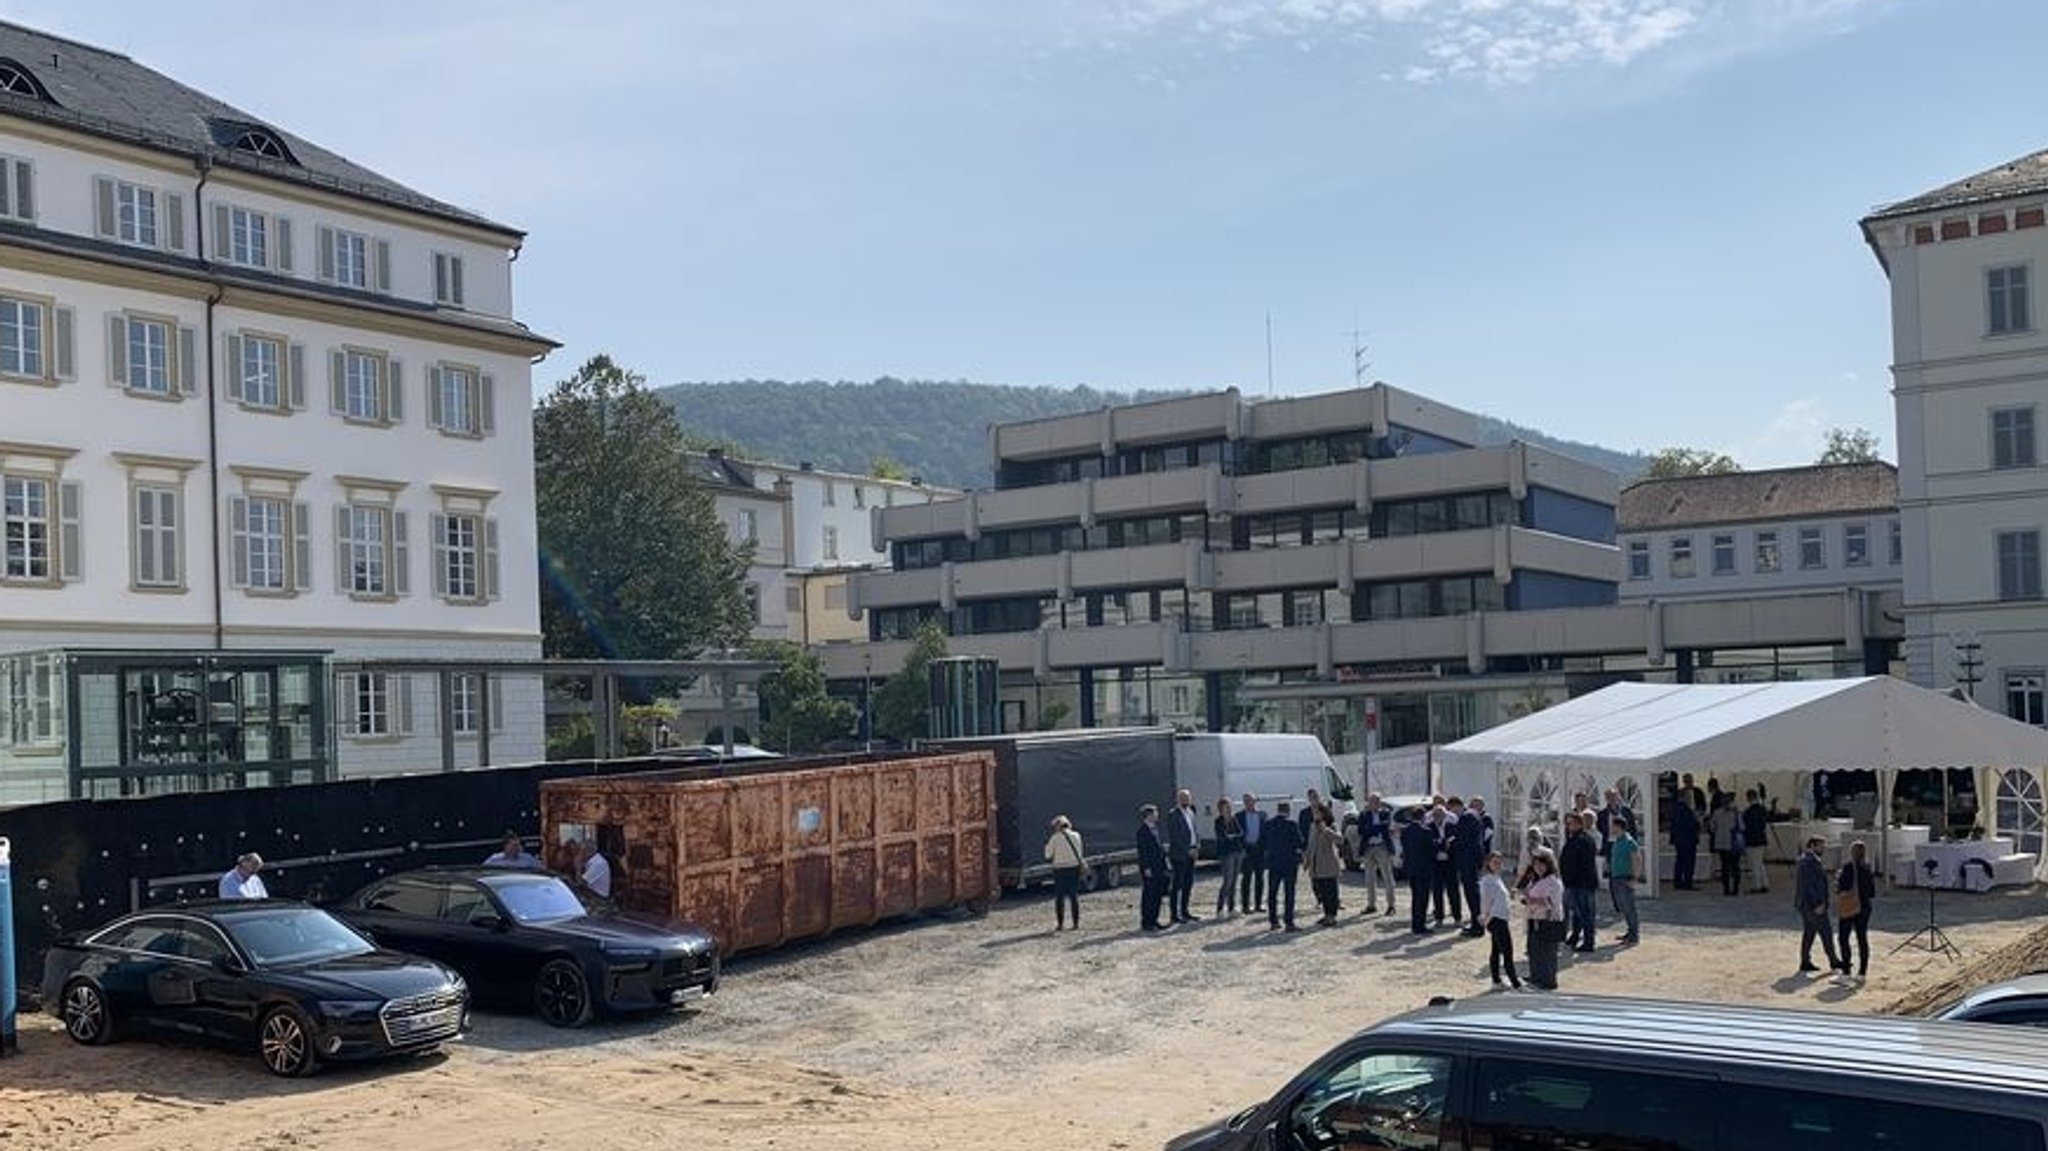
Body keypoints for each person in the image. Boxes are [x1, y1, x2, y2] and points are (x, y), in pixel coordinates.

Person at [1796, 836, 1844, 975]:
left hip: (1805, 904)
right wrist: (1818, 903)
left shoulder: (1807, 860)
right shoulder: (1809, 862)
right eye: (1821, 846)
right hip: (1813, 905)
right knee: (1825, 932)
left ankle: (1805, 961)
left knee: (1809, 933)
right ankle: (1833, 960)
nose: (1823, 849)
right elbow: (1810, 886)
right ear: (1813, 846)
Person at [1523, 848, 1566, 990]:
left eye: (1541, 865)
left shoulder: (1553, 881)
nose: (1538, 868)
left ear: (1548, 865)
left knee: (1547, 952)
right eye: (1536, 865)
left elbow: (1551, 902)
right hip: (1534, 919)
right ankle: (1536, 977)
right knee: (1534, 949)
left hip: (1548, 921)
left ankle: (1548, 981)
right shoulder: (1537, 879)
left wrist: (1531, 900)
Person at [1478, 851, 1521, 989]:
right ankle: (1516, 984)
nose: (1497, 865)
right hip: (1496, 919)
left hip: (1501, 917)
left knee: (1496, 950)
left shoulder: (1496, 878)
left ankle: (1496, 981)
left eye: (1499, 862)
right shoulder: (1488, 880)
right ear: (1488, 863)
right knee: (1507, 951)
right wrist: (1485, 918)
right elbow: (1486, 901)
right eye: (1494, 862)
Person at [1559, 813, 1600, 952]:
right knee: (1577, 913)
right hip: (1575, 882)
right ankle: (1575, 936)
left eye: (1570, 823)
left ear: (1579, 824)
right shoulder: (1574, 839)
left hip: (1582, 883)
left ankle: (1589, 942)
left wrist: (1570, 878)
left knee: (1585, 913)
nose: (1568, 826)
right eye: (1567, 823)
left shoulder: (1583, 840)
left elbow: (1579, 863)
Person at [1836, 840, 1877, 979]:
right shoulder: (1868, 868)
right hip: (1865, 907)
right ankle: (1862, 972)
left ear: (1852, 853)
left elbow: (1841, 888)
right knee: (1862, 939)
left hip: (1850, 906)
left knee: (1843, 938)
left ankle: (1846, 971)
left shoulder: (1847, 868)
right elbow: (1872, 892)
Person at [1264, 800, 1305, 932]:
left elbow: (1263, 842)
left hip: (1273, 863)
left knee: (1272, 893)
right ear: (1288, 810)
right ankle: (1289, 922)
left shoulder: (1269, 824)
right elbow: (1300, 842)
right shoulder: (1292, 824)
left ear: (1278, 810)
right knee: (1289, 893)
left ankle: (1273, 921)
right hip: (1289, 863)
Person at [1044, 815, 1086, 931]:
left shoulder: (1055, 838)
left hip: (1060, 870)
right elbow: (1080, 853)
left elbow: (1047, 855)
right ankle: (1076, 923)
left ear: (1058, 826)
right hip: (1074, 868)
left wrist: (1047, 846)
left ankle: (1060, 924)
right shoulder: (1077, 836)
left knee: (1060, 897)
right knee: (1074, 896)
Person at [1166, 788, 1202, 924]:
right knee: (1177, 885)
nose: (1186, 800)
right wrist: (1187, 850)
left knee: (1188, 884)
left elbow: (1194, 832)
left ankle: (1185, 911)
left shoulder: (1191, 812)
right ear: (1178, 799)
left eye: (1188, 798)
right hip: (1180, 855)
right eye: (1183, 798)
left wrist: (1197, 846)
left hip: (1192, 853)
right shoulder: (1173, 815)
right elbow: (1175, 837)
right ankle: (1174, 915)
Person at [1400, 804, 1438, 935]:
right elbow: (1431, 852)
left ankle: (1414, 923)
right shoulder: (1426, 831)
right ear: (1422, 817)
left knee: (1415, 896)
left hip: (1411, 867)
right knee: (1423, 898)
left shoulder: (1405, 831)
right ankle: (1420, 925)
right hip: (1424, 869)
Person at [1357, 793, 1397, 916]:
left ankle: (1391, 905)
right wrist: (1374, 829)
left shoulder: (1385, 814)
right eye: (1371, 801)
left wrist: (1372, 829)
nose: (1373, 804)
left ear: (1380, 803)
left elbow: (1385, 828)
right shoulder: (1364, 815)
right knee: (1369, 878)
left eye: (1376, 801)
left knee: (1387, 877)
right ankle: (1371, 905)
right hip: (1368, 848)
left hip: (1382, 847)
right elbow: (1361, 830)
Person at [1452, 797, 1487, 936]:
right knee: (1473, 893)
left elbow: (1463, 840)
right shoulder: (1474, 814)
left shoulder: (1466, 817)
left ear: (1456, 806)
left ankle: (1477, 926)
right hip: (1473, 859)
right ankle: (1475, 923)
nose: (1452, 813)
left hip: (1468, 860)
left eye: (1452, 809)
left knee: (1472, 894)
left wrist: (1452, 843)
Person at [1306, 806, 1344, 926]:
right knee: (1321, 891)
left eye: (1317, 813)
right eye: (1314, 813)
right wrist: (1307, 860)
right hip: (1316, 864)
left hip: (1329, 864)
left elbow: (1340, 839)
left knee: (1331, 891)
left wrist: (1326, 829)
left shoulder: (1332, 825)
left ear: (1324, 813)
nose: (1315, 815)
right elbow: (1310, 844)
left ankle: (1332, 916)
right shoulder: (1312, 826)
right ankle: (1326, 914)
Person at [1607, 817, 1642, 945]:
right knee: (1624, 907)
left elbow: (1637, 860)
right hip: (1617, 877)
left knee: (1630, 907)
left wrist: (1635, 878)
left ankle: (1634, 935)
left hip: (1625, 878)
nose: (1611, 828)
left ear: (1619, 826)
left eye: (1613, 826)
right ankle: (1630, 932)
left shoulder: (1629, 842)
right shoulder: (1618, 840)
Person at [1136, 804, 1168, 932]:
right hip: (1150, 868)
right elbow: (1143, 852)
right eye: (1155, 813)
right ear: (1148, 815)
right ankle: (1147, 921)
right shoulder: (1142, 831)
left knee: (1157, 894)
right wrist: (1146, 868)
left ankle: (1155, 919)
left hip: (1158, 867)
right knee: (1149, 894)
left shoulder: (1154, 828)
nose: (1157, 815)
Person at [1430, 803, 1462, 926]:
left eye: (1440, 815)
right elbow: (1429, 845)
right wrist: (1442, 845)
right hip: (1436, 864)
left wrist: (1442, 845)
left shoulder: (1452, 827)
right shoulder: (1429, 828)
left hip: (1450, 864)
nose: (1438, 818)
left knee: (1453, 891)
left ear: (1445, 816)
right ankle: (1439, 918)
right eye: (1435, 815)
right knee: (1437, 892)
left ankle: (1457, 918)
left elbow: (1455, 843)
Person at [1212, 797, 1245, 917]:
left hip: (1238, 851)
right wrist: (1232, 837)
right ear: (1221, 808)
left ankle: (1232, 908)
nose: (1229, 809)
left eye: (1230, 806)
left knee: (1235, 881)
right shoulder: (1218, 821)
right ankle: (1220, 908)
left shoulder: (1233, 819)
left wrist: (1232, 837)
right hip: (1226, 854)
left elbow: (1241, 833)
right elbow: (1222, 837)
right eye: (1226, 807)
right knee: (1227, 881)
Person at [1708, 793, 1743, 897]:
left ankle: (1726, 889)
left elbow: (1712, 828)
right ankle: (1735, 889)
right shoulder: (1736, 813)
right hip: (1734, 843)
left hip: (1722, 844)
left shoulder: (1716, 813)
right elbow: (1742, 827)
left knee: (1725, 867)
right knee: (1735, 867)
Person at [1238, 793, 1267, 913]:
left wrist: (1265, 848)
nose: (1248, 803)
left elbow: (1265, 833)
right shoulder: (1239, 816)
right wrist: (1242, 849)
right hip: (1247, 850)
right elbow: (1238, 835)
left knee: (1260, 878)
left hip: (1259, 850)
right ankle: (1245, 906)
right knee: (1247, 879)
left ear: (1255, 801)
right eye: (1246, 801)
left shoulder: (1262, 815)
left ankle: (1258, 905)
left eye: (1250, 800)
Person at [1742, 789, 1771, 894]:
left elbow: (1745, 827)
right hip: (1762, 839)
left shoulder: (1747, 812)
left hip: (1751, 840)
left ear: (1748, 798)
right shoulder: (1763, 809)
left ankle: (1756, 886)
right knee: (1760, 863)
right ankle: (1764, 884)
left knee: (1754, 864)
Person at [1670, 794, 1701, 890]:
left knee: (1680, 861)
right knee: (1689, 862)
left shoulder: (1674, 809)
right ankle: (1687, 882)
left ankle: (1678, 882)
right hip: (1688, 839)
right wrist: (1697, 821)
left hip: (1678, 839)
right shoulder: (1686, 810)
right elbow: (1691, 824)